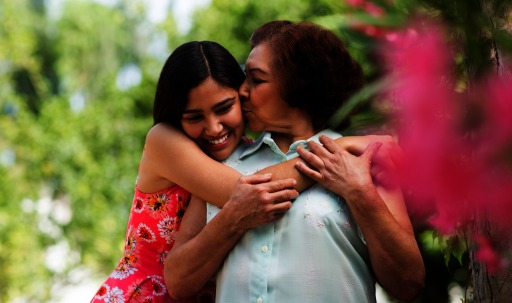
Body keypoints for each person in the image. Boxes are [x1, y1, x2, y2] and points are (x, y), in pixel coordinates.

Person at [91, 40, 381, 303]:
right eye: (194, 117)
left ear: (243, 97)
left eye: (224, 108)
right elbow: (252, 193)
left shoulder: (250, 154)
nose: (214, 127)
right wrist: (341, 146)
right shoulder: (163, 140)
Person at [164, 21, 425, 303]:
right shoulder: (223, 167)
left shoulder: (365, 161)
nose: (242, 91)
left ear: (299, 84)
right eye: (244, 78)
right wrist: (231, 220)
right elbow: (178, 283)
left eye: (256, 79)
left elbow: (409, 284)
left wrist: (360, 193)